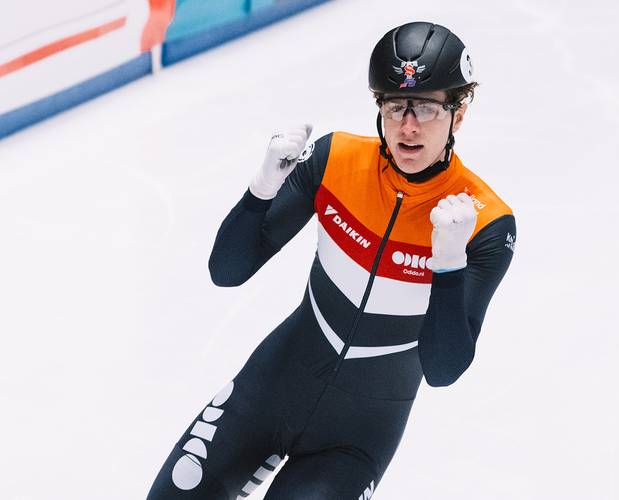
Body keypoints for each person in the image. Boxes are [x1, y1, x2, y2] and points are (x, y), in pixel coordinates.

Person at [146, 21, 517, 499]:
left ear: (458, 114)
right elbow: (227, 271)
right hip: (271, 390)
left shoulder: (486, 224)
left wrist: (447, 265)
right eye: (394, 106)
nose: (408, 126)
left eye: (425, 107)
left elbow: (443, 369)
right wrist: (261, 189)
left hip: (354, 440)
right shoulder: (335, 159)